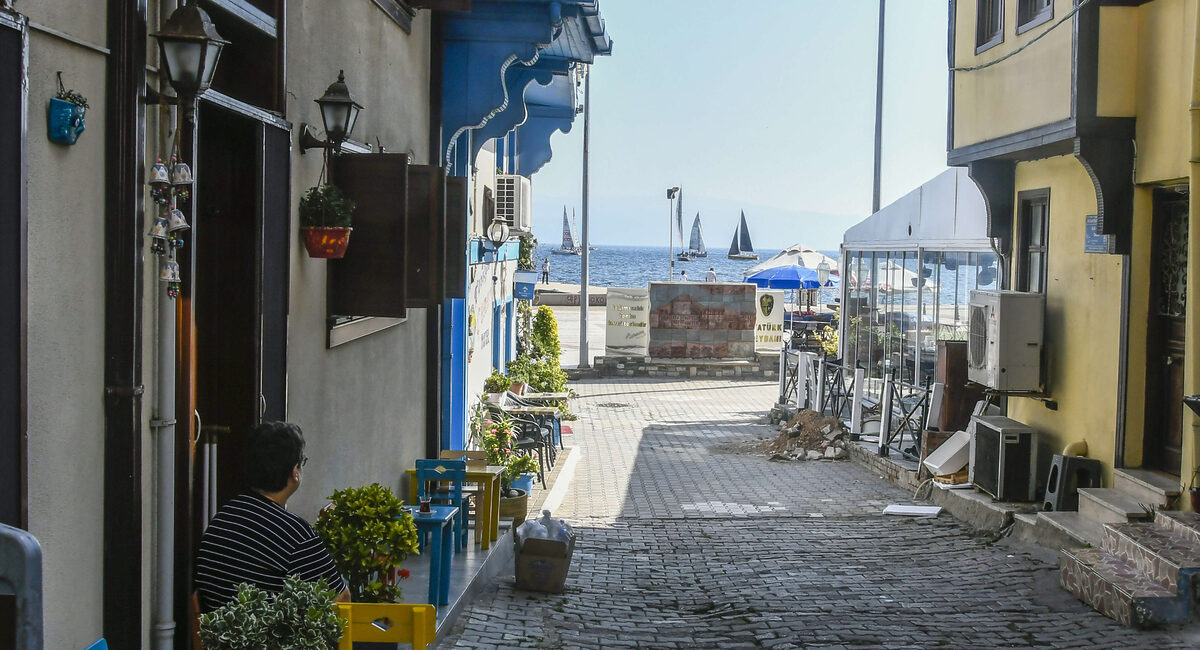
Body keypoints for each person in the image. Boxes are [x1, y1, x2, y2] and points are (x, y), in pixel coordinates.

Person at [193, 421, 348, 613]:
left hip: (218, 640)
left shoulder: (222, 519)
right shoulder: (297, 535)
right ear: (295, 472)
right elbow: (341, 599)